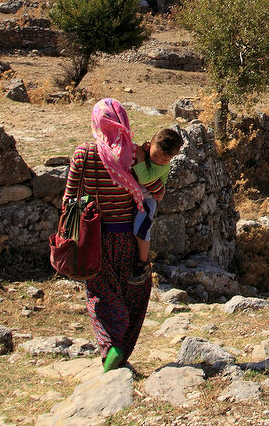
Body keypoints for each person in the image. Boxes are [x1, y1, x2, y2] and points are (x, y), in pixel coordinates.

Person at [63, 98, 165, 372]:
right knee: (136, 289)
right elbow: (157, 191)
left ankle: (111, 348)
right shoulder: (132, 155)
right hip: (129, 240)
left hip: (95, 240)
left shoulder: (83, 154)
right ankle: (121, 350)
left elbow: (69, 199)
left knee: (100, 293)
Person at [127, 127, 183, 285]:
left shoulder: (161, 167)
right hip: (140, 196)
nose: (158, 161)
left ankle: (142, 264)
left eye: (164, 159)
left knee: (141, 230)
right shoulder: (151, 152)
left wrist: (140, 159)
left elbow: (144, 179)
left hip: (148, 200)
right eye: (155, 155)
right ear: (150, 144)